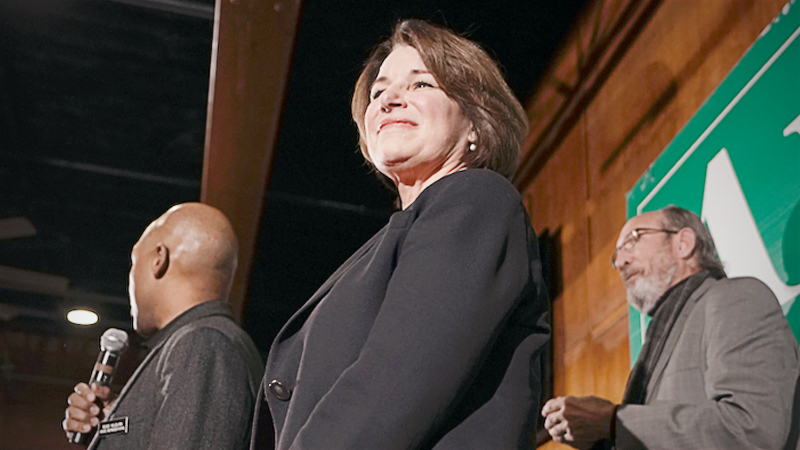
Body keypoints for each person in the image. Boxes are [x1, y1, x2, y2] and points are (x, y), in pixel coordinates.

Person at [249, 19, 550, 450]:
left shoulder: (478, 202)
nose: (389, 100)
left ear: (476, 123)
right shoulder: (390, 243)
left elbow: (394, 383)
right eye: (378, 92)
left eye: (421, 84)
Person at [541, 205, 800, 450]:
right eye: (616, 255)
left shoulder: (734, 298)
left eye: (633, 240)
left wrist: (613, 422)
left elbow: (751, 428)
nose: (620, 262)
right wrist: (600, 437)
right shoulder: (659, 340)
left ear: (683, 243)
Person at [63, 203, 263, 450]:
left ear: (159, 258)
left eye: (134, 262)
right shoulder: (201, 343)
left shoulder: (204, 343)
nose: (130, 279)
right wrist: (109, 431)